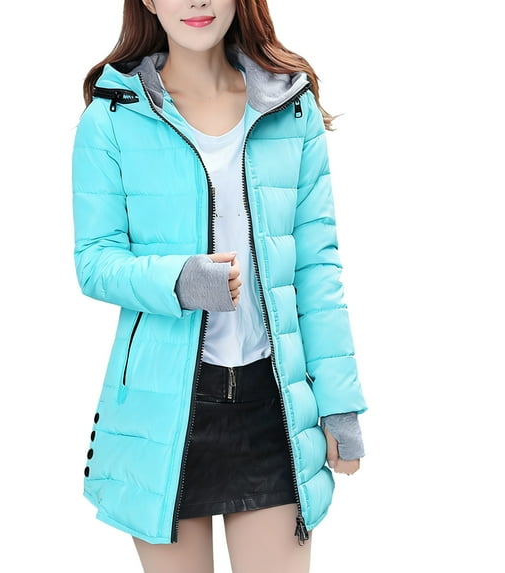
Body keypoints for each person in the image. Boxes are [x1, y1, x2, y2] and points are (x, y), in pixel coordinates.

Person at [71, 1, 367, 571]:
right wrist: (182, 280)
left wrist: (339, 406)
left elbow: (317, 268)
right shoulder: (113, 115)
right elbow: (95, 261)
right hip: (165, 412)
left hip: (273, 403)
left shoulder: (289, 105)